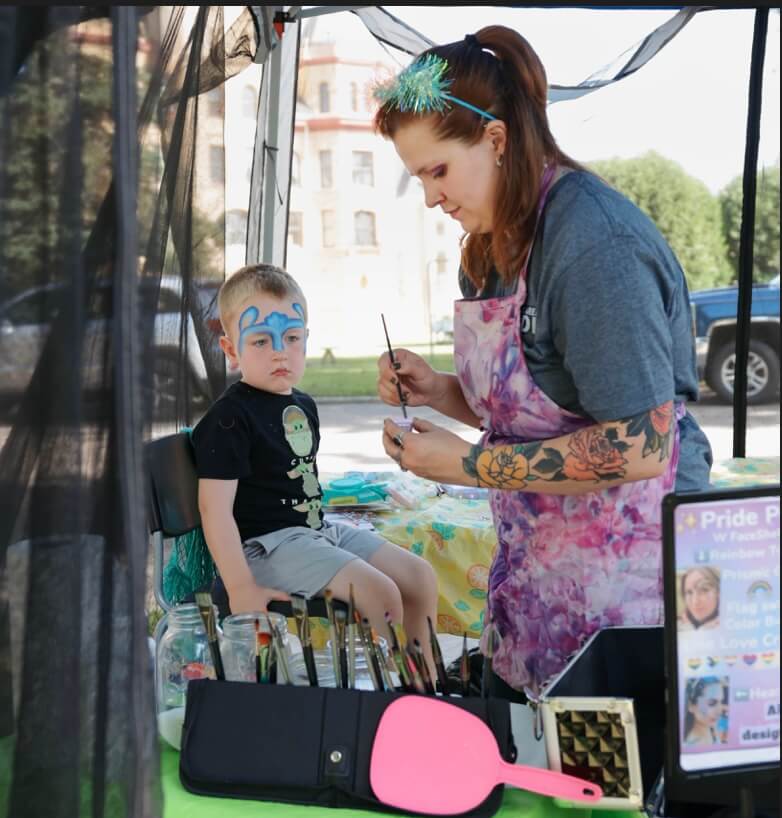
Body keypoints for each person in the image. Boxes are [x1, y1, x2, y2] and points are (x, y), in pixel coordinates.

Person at [372, 26, 712, 697]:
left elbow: (641, 444)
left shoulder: (592, 246)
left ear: (495, 140)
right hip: (538, 581)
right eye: (419, 178)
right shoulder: (489, 249)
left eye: (438, 171)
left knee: (611, 791)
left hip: (632, 603)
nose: (432, 198)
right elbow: (532, 406)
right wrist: (439, 390)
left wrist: (470, 466)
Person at [192, 264, 439, 670]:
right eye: (260, 341)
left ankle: (427, 686)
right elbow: (213, 511)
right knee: (381, 595)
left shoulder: (303, 404)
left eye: (291, 338)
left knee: (418, 577)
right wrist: (240, 587)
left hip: (314, 532)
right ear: (231, 350)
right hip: (266, 547)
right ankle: (387, 702)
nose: (279, 352)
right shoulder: (229, 419)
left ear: (306, 340)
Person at [683, 677, 726, 746]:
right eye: (711, 702)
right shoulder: (692, 745)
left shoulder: (713, 729)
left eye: (721, 702)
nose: (719, 712)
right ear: (691, 706)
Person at [678, 566, 721, 631]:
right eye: (689, 592)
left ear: (718, 592)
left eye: (704, 590)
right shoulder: (678, 627)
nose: (695, 601)